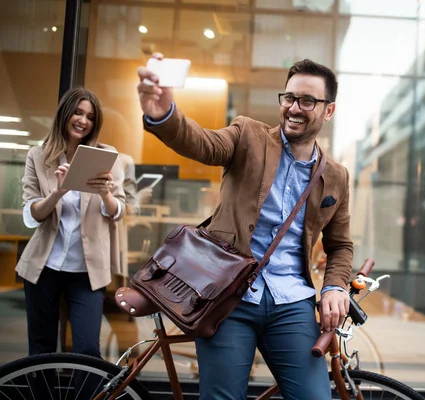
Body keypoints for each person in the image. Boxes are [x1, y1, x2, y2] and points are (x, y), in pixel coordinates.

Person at [136, 54, 353, 400]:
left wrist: (334, 288)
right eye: (289, 97)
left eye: (308, 100)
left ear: (329, 111)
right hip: (228, 296)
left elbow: (340, 245)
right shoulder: (249, 136)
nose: (294, 107)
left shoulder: (336, 176)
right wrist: (163, 114)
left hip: (292, 302)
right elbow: (202, 143)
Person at [17, 87, 126, 358]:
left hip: (87, 271)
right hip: (44, 267)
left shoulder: (106, 155)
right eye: (78, 112)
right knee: (40, 350)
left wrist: (105, 193)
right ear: (65, 114)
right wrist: (59, 191)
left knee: (88, 350)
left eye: (90, 116)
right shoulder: (38, 156)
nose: (83, 120)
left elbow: (118, 211)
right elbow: (31, 216)